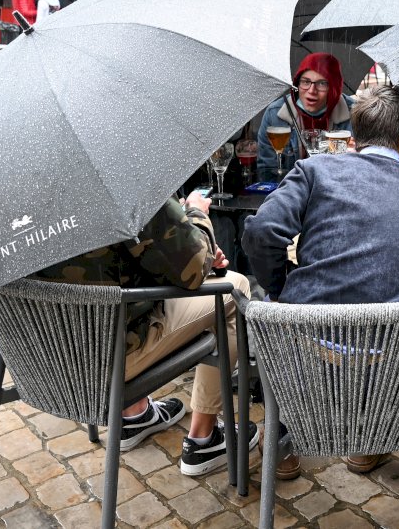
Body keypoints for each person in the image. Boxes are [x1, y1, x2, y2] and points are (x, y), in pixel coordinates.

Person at [243, 86, 399, 476]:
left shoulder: (316, 169)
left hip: (307, 340)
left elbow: (262, 232)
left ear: (354, 139)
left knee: (261, 305)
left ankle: (282, 438)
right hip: (389, 348)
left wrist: (278, 286)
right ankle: (367, 440)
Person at [32, 191, 259, 474]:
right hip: (108, 360)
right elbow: (193, 268)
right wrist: (196, 214)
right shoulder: (125, 179)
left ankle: (134, 414)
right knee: (234, 287)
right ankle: (204, 438)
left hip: (40, 359)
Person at [257, 52, 353, 181]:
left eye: (322, 83)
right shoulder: (275, 114)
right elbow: (267, 170)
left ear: (334, 87)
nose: (312, 91)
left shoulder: (356, 113)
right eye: (306, 82)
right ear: (297, 83)